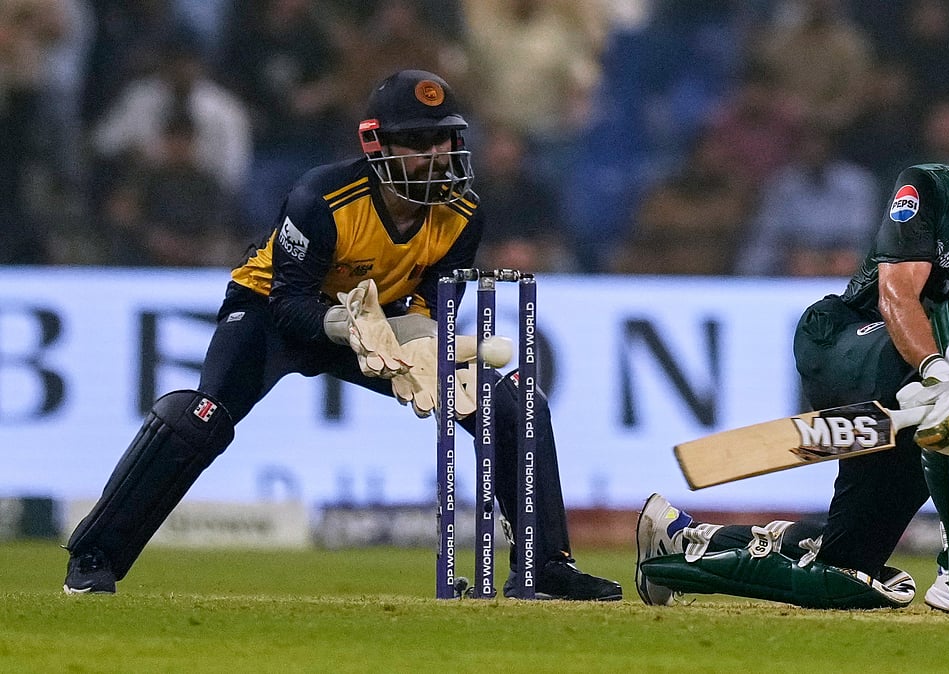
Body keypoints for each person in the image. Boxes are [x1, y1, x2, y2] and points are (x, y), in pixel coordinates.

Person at [63, 69, 622, 602]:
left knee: (508, 401)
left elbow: (429, 296)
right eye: (417, 141)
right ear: (376, 145)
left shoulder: (463, 212)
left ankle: (546, 565)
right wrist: (348, 326)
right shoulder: (321, 199)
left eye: (445, 140)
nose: (436, 156)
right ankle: (94, 557)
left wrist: (422, 338)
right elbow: (288, 304)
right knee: (199, 420)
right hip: (273, 314)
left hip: (380, 323)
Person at [636, 88, 949, 614]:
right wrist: (939, 375)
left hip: (918, 414)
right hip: (845, 342)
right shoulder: (928, 187)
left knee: (848, 571)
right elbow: (898, 293)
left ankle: (682, 547)